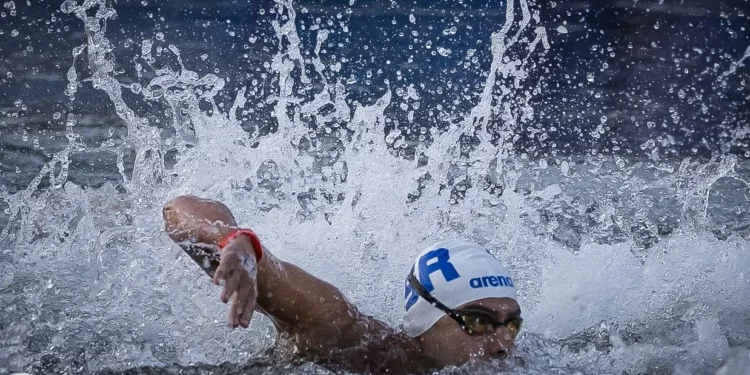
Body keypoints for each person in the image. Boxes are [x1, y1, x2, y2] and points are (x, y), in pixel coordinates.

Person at [162, 195, 523, 374]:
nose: (503, 346)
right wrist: (233, 241)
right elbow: (178, 209)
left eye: (511, 325)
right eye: (478, 322)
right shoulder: (340, 331)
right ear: (425, 321)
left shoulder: (523, 360)